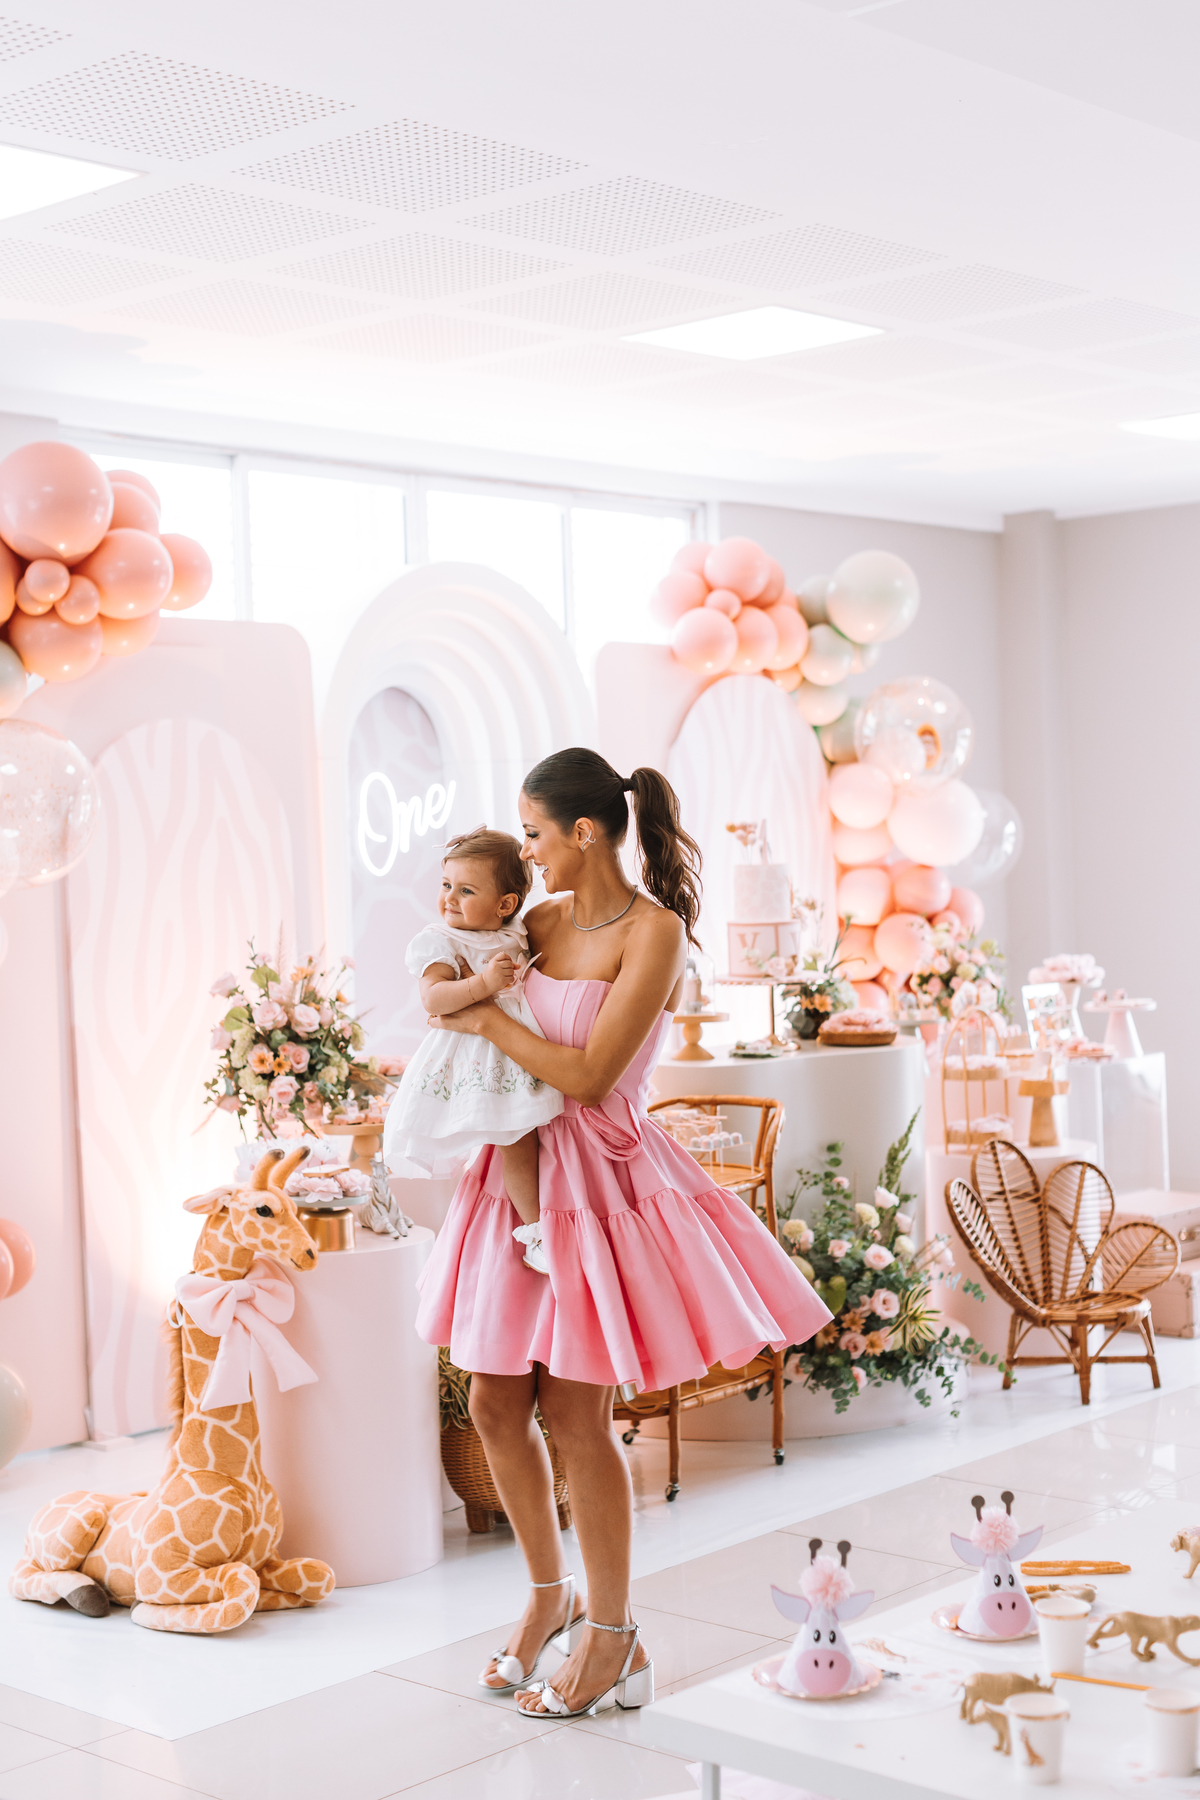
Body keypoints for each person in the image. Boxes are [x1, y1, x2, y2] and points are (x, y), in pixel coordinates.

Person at [415, 749, 831, 1721]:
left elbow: (591, 1075)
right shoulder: (538, 921)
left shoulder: (656, 933)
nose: (525, 851)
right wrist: (457, 1010)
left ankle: (613, 1635)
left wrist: (485, 1025)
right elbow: (454, 981)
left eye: (533, 833)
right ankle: (547, 1598)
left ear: (583, 832)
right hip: (515, 1174)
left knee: (576, 1415)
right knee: (492, 1403)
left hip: (599, 1184)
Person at [382, 827, 563, 1271]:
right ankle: (535, 1230)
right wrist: (483, 983)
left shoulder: (517, 932)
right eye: (446, 885)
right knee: (501, 1141)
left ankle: (537, 1226)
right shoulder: (441, 939)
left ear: (505, 905)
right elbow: (433, 999)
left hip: (514, 1052)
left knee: (522, 1142)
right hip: (469, 1056)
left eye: (466, 890)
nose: (449, 898)